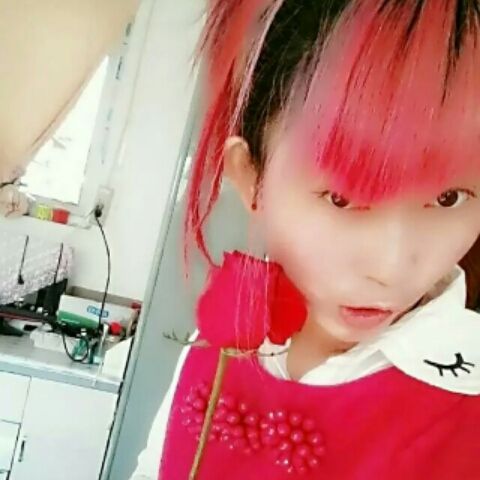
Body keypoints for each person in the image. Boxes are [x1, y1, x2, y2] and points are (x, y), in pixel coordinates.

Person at [132, 1, 480, 478]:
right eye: (341, 199)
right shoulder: (219, 342)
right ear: (250, 176)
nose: (392, 267)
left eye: (448, 199)